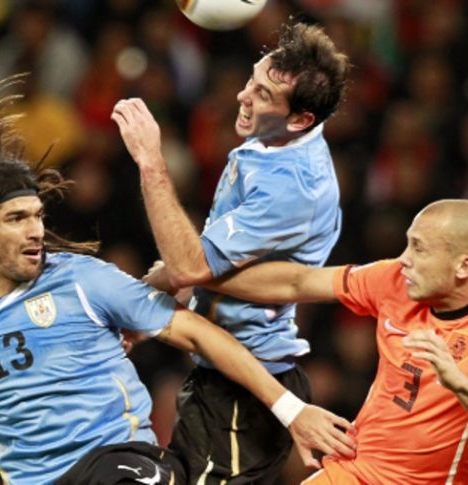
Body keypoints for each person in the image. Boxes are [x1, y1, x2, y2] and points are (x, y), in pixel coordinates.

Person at [0, 76, 356, 485]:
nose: (36, 231)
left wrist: (291, 410)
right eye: (16, 219)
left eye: (37, 215)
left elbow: (200, 333)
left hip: (118, 463)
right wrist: (1, 455)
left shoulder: (83, 282)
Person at [112, 20, 351, 483]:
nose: (244, 96)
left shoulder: (293, 188)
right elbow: (199, 267)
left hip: (246, 392)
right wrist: (143, 307)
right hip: (222, 376)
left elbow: (190, 266)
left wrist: (150, 161)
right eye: (252, 79)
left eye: (263, 95)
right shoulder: (274, 138)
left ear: (302, 118)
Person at [205, 199, 468, 485]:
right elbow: (297, 281)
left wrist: (459, 383)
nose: (404, 259)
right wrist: (202, 274)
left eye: (419, 248)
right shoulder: (395, 281)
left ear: (464, 266)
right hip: (355, 471)